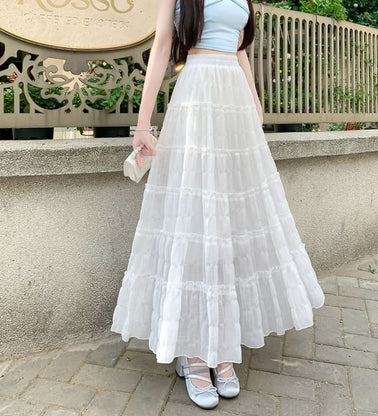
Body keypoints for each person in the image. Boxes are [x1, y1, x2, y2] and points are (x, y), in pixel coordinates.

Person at [111, 0, 325, 409]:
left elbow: (240, 49)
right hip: (197, 99)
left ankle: (222, 348)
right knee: (196, 224)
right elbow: (162, 46)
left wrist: (255, 100)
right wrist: (142, 123)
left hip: (234, 106)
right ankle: (193, 352)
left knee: (231, 224)